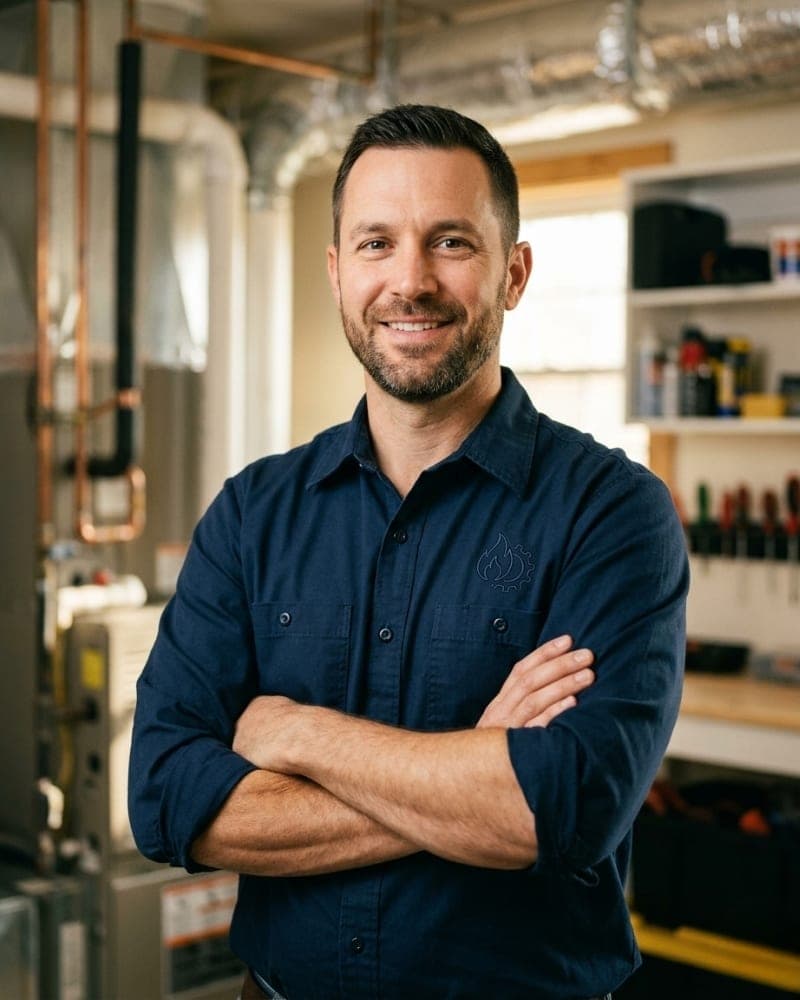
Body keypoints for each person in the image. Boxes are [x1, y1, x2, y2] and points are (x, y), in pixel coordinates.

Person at [129, 104, 689, 1000]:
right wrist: (470, 764)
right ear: (337, 271)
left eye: (452, 243)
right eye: (377, 243)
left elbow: (556, 812)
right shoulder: (253, 513)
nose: (411, 280)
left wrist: (296, 733)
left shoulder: (613, 513)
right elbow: (166, 801)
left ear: (514, 273)